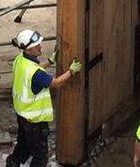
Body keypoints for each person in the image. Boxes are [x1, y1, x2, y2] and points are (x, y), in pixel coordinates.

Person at [6, 29, 83, 167]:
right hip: (34, 122)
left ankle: (12, 164)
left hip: (22, 115)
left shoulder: (20, 60)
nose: (40, 46)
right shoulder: (36, 73)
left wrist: (50, 61)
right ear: (29, 49)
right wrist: (72, 71)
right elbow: (56, 83)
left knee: (23, 145)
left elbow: (35, 68)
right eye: (37, 45)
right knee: (40, 156)